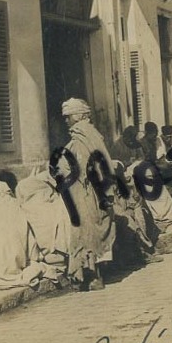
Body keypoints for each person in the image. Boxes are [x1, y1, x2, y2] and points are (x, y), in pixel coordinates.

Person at [52, 97, 116, 291]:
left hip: (87, 191)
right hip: (95, 189)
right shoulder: (92, 134)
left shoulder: (82, 137)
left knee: (87, 232)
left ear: (78, 116)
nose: (65, 121)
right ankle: (94, 275)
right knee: (92, 231)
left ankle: (95, 278)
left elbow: (80, 166)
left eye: (68, 117)